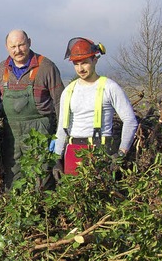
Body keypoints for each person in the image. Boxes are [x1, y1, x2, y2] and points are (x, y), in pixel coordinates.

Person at [52, 37, 138, 177]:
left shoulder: (110, 87)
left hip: (100, 152)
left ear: (95, 60)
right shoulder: (68, 91)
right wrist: (56, 158)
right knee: (72, 198)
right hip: (72, 152)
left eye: (85, 63)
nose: (80, 68)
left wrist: (122, 152)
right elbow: (62, 127)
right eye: (76, 64)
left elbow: (130, 120)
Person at [0, 29, 64, 190]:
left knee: (41, 183)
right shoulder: (1, 70)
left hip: (40, 134)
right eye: (13, 46)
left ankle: (43, 214)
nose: (17, 50)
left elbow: (61, 103)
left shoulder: (46, 67)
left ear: (29, 42)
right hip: (11, 136)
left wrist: (60, 137)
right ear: (6, 47)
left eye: (21, 45)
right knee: (13, 182)